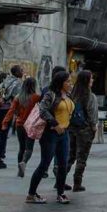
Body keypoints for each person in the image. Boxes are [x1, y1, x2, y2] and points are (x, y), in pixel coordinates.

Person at [26, 70, 73, 205]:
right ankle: (31, 194)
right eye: (68, 81)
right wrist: (54, 124)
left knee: (63, 164)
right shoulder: (50, 94)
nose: (70, 84)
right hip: (50, 134)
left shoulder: (68, 95)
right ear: (61, 83)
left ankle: (60, 193)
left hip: (64, 133)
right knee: (45, 164)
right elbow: (43, 110)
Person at [67, 70, 98, 191]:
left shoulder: (72, 94)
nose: (92, 80)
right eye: (91, 78)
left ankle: (60, 180)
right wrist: (94, 127)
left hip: (71, 128)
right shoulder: (90, 96)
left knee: (70, 155)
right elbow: (92, 114)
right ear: (87, 80)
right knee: (82, 157)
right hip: (85, 129)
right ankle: (77, 182)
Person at [4, 76, 40, 178]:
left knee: (21, 147)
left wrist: (5, 122)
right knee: (29, 148)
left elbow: (11, 111)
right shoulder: (36, 97)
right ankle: (24, 162)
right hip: (31, 124)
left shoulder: (18, 97)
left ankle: (19, 169)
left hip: (19, 124)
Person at [0, 65, 24, 169]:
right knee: (3, 135)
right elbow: (17, 98)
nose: (22, 72)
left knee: (0, 134)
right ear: (17, 72)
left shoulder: (5, 80)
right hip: (6, 110)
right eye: (21, 70)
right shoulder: (17, 82)